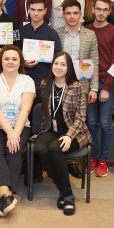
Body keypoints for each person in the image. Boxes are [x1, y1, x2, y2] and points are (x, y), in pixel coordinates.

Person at [33, 52, 91, 216]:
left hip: (74, 132)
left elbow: (81, 117)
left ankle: (67, 195)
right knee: (39, 148)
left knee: (54, 149)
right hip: (51, 130)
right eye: (56, 63)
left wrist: (69, 136)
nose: (58, 67)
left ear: (69, 68)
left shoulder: (76, 87)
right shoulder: (45, 84)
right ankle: (64, 189)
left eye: (63, 64)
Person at [0, 46, 35, 217]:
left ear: (20, 62)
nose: (10, 62)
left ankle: (5, 195)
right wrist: (9, 132)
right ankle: (6, 195)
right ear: (1, 61)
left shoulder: (27, 81)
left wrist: (15, 133)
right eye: (6, 58)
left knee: (14, 150)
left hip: (21, 125)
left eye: (14, 59)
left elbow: (25, 109)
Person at [58, 0, 99, 173]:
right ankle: (63, 160)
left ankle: (73, 160)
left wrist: (94, 88)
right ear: (63, 15)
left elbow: (95, 61)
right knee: (62, 120)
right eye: (68, 13)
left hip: (82, 85)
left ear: (81, 14)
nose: (72, 16)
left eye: (75, 13)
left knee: (79, 122)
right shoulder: (57, 33)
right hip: (61, 84)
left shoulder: (90, 35)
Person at [85, 0, 114, 177]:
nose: (100, 13)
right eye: (98, 9)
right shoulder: (86, 30)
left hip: (107, 82)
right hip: (89, 81)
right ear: (93, 9)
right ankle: (92, 157)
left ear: (109, 12)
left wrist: (106, 87)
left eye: (104, 10)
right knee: (91, 122)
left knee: (105, 122)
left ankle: (103, 160)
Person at [16, 0, 62, 89]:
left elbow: (58, 60)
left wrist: (50, 80)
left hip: (44, 84)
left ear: (45, 11)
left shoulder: (52, 34)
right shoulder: (20, 31)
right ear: (28, 9)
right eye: (33, 9)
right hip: (22, 82)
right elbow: (13, 54)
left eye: (40, 10)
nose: (36, 13)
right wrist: (23, 63)